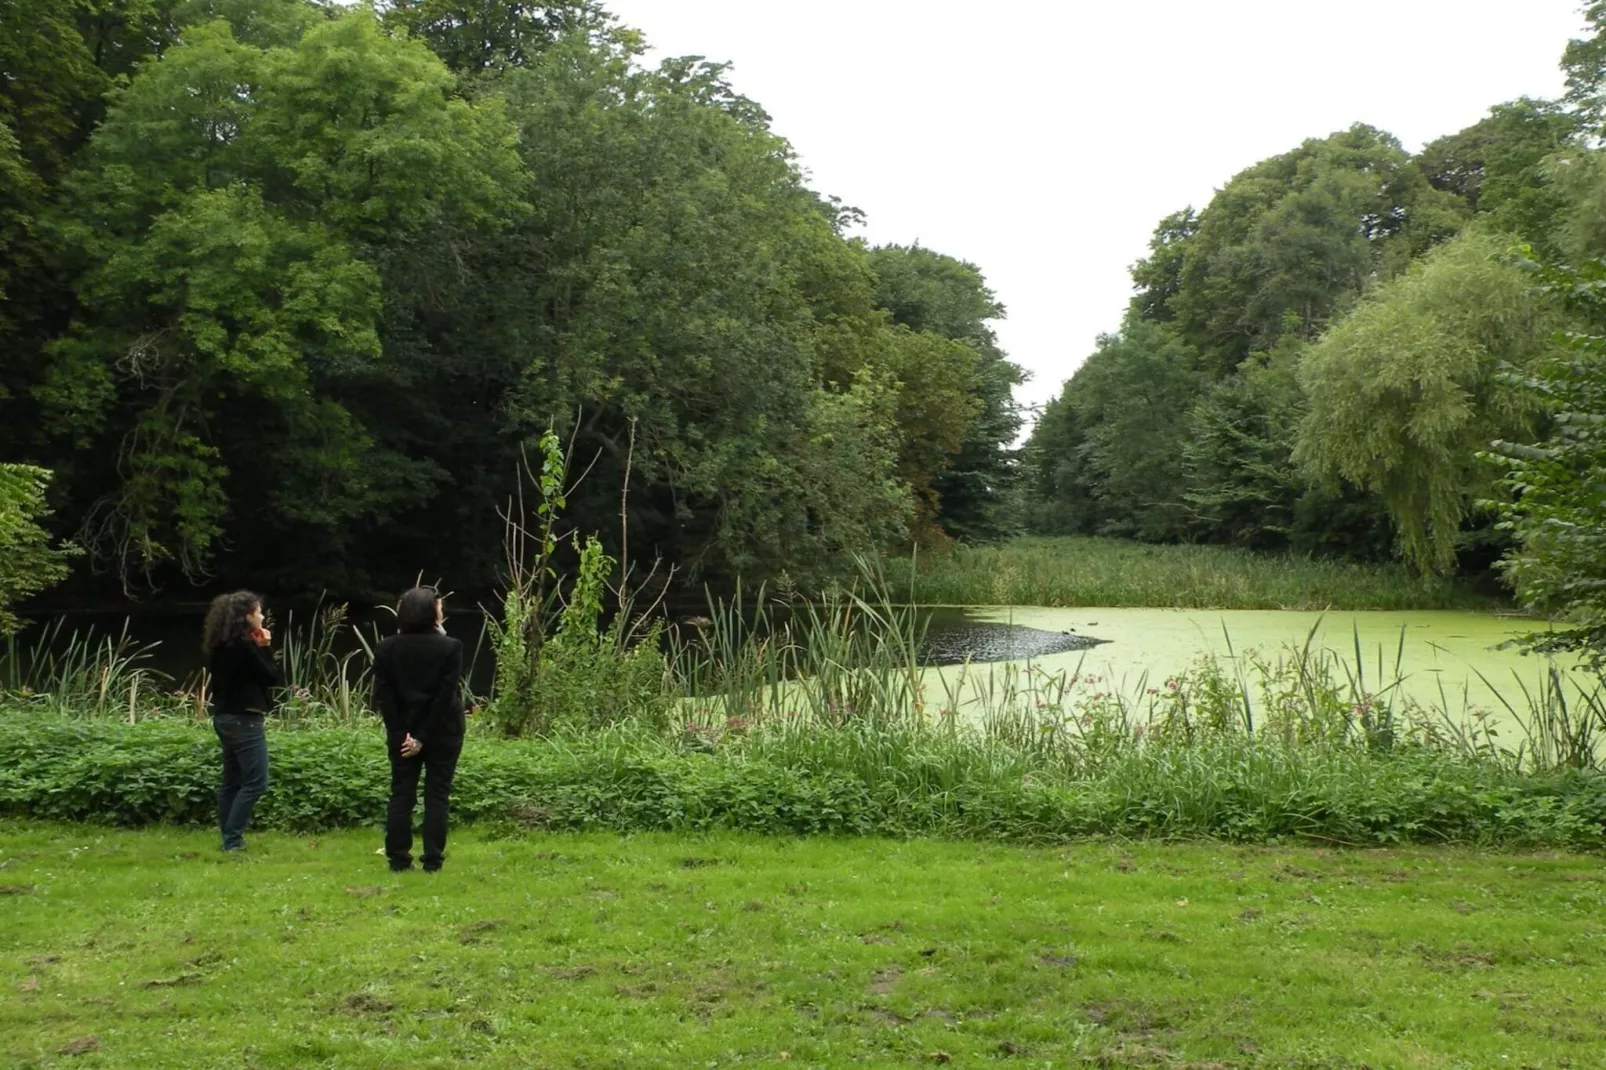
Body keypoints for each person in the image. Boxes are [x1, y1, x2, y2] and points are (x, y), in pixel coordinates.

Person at [373, 586, 466, 873]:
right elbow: (445, 696)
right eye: (440, 606)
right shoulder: (450, 647)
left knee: (402, 793)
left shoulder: (386, 647)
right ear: (431, 612)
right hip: (443, 731)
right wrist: (423, 737)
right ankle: (433, 860)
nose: (443, 610)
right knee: (437, 794)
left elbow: (385, 698)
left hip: (402, 732)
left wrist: (404, 734)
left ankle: (398, 858)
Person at [202, 590, 279, 852]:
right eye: (258, 612)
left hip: (223, 716)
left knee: (232, 781)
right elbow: (270, 677)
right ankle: (232, 840)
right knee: (256, 782)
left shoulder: (220, 644)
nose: (261, 616)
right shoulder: (244, 647)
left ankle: (228, 836)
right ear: (247, 617)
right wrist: (266, 648)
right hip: (244, 719)